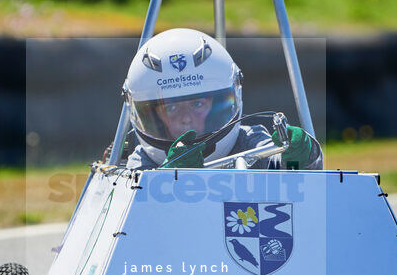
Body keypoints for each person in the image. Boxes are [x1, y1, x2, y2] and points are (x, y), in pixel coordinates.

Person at [122, 28, 322, 171]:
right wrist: (167, 179)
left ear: (218, 104)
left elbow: (292, 173)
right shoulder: (139, 166)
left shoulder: (250, 144)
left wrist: (302, 156)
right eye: (171, 108)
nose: (186, 119)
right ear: (153, 115)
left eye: (197, 104)